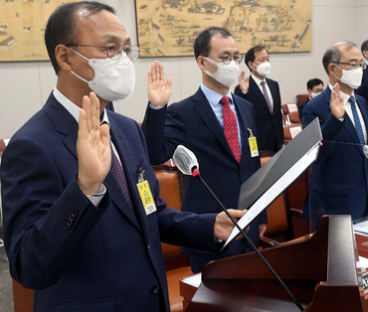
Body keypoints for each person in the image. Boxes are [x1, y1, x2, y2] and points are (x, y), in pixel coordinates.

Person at [0, 3, 243, 311]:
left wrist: (210, 226)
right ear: (65, 56)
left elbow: (152, 213)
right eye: (110, 48)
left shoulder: (127, 130)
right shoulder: (31, 145)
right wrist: (84, 190)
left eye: (126, 49)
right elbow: (29, 265)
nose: (123, 60)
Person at [142, 27, 265, 273]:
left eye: (235, 57)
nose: (232, 64)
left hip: (248, 227)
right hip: (209, 229)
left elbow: (251, 165)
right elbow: (155, 155)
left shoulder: (245, 106)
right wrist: (157, 109)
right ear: (202, 62)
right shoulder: (183, 112)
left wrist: (261, 217)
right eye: (224, 57)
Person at [301, 42, 368, 227]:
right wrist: (335, 119)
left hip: (362, 200)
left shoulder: (361, 102)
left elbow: (364, 150)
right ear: (333, 68)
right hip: (333, 205)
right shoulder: (314, 107)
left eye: (361, 64)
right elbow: (314, 155)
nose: (359, 70)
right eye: (353, 64)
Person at [234, 45, 283, 153]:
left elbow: (277, 115)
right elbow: (242, 116)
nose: (266, 63)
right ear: (251, 64)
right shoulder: (242, 88)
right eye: (262, 60)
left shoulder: (274, 85)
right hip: (257, 143)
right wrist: (244, 92)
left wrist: (281, 140)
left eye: (268, 59)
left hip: (276, 143)